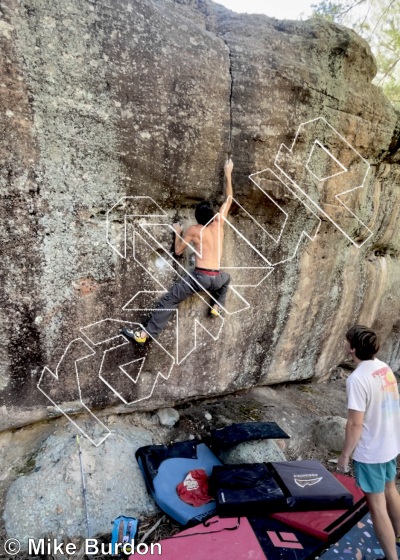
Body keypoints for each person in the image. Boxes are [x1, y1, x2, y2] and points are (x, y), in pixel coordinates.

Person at [123, 159, 234, 344]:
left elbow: (178, 251)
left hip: (201, 278)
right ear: (214, 215)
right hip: (217, 278)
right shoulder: (219, 224)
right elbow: (229, 199)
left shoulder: (195, 230)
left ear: (197, 218)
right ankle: (217, 305)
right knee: (226, 279)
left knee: (169, 301)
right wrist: (228, 173)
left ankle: (144, 335)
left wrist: (177, 233)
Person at [338, 325, 400, 560]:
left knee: (377, 507)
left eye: (346, 342)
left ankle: (391, 558)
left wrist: (345, 455)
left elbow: (355, 424)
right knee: (390, 488)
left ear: (352, 349)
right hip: (390, 444)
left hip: (371, 451)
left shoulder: (357, 379)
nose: (345, 345)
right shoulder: (383, 367)